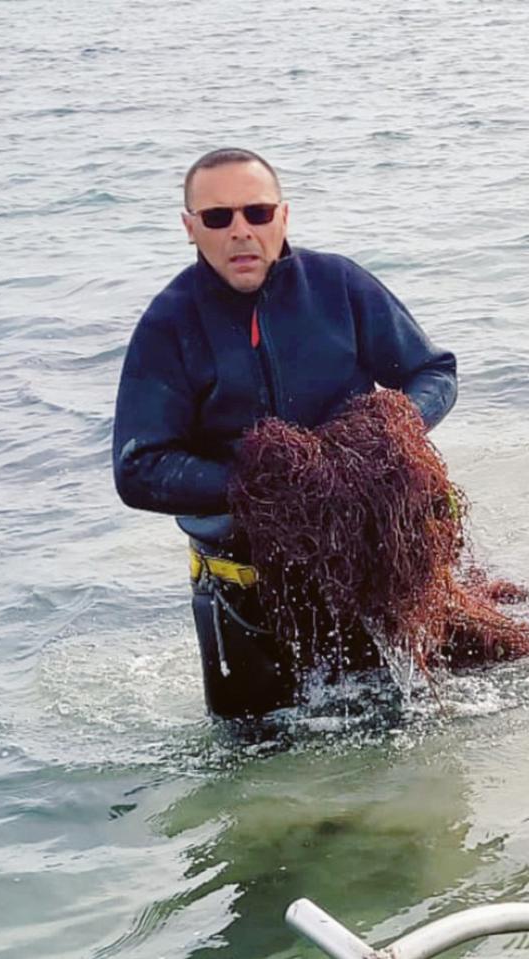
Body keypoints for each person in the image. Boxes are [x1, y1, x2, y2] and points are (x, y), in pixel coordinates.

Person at [111, 147, 458, 718]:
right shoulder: (169, 324)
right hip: (241, 595)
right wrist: (271, 485)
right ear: (190, 228)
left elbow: (432, 372)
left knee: (402, 747)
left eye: (258, 213)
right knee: (257, 771)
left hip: (367, 572)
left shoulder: (338, 286)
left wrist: (388, 439)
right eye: (218, 218)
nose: (241, 231)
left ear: (284, 217)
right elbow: (138, 468)